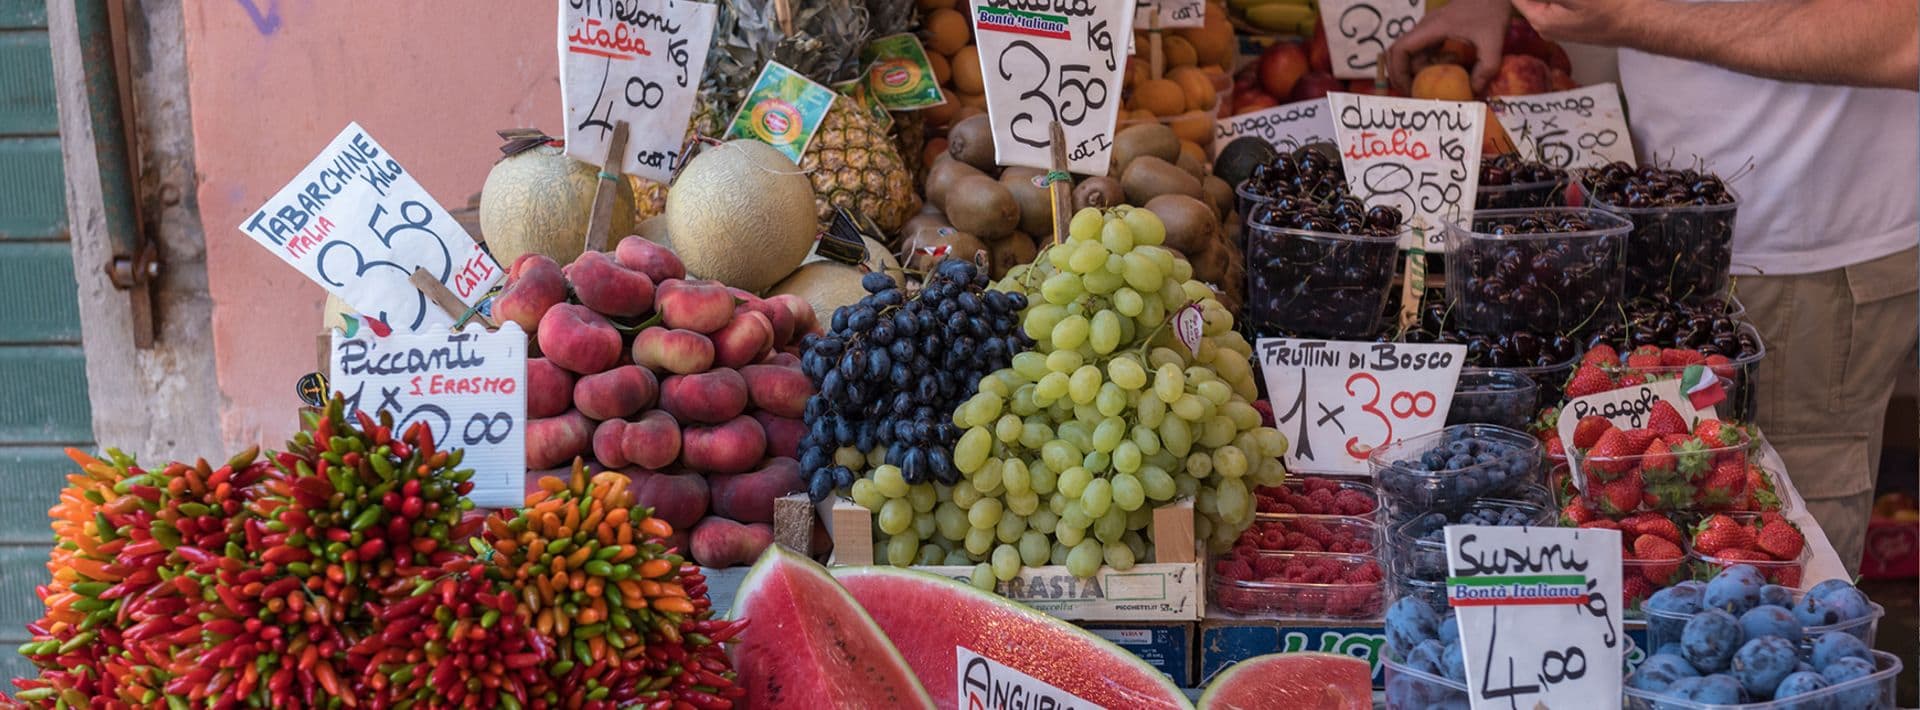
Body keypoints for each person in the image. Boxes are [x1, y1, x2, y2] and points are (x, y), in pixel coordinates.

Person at [1388, 0, 1919, 575]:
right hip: (1657, 239)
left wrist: (1630, 18)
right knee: (1647, 506)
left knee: (1764, 554)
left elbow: (1903, 35)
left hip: (1804, 254)